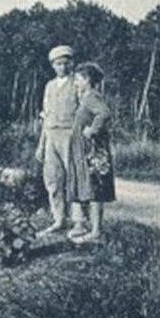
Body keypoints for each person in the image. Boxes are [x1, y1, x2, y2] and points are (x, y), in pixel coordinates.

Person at [66, 62, 116, 243]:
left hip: (93, 150)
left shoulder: (92, 96)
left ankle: (96, 232)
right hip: (85, 150)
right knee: (88, 186)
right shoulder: (85, 96)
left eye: (78, 79)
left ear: (87, 80)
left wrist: (92, 130)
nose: (75, 83)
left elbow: (104, 113)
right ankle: (86, 227)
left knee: (95, 187)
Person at [35, 45, 81, 236]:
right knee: (52, 179)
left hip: (70, 135)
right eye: (58, 64)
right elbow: (46, 117)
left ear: (71, 63)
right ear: (53, 65)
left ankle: (79, 221)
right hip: (51, 136)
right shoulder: (49, 86)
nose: (62, 67)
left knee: (74, 178)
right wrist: (41, 145)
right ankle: (59, 219)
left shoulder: (77, 84)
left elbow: (84, 112)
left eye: (65, 63)